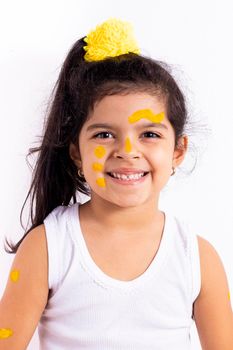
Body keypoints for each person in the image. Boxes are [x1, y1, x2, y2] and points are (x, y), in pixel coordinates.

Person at [0, 18, 232, 350]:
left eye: (149, 135)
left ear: (178, 151)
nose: (127, 152)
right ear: (77, 152)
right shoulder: (48, 248)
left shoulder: (197, 258)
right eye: (104, 134)